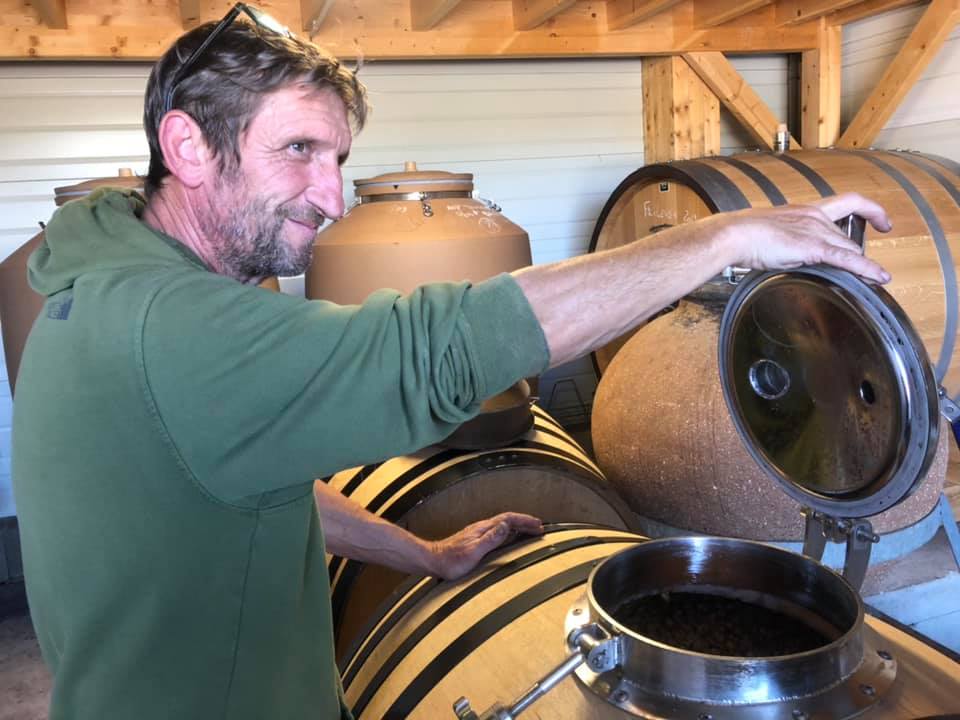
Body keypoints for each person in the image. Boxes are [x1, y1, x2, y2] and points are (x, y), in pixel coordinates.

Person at [11, 5, 892, 720]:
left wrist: (421, 554)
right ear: (187, 146)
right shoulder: (174, 330)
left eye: (338, 159)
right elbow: (440, 346)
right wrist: (725, 239)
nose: (330, 197)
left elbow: (253, 478)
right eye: (298, 150)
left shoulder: (97, 276)